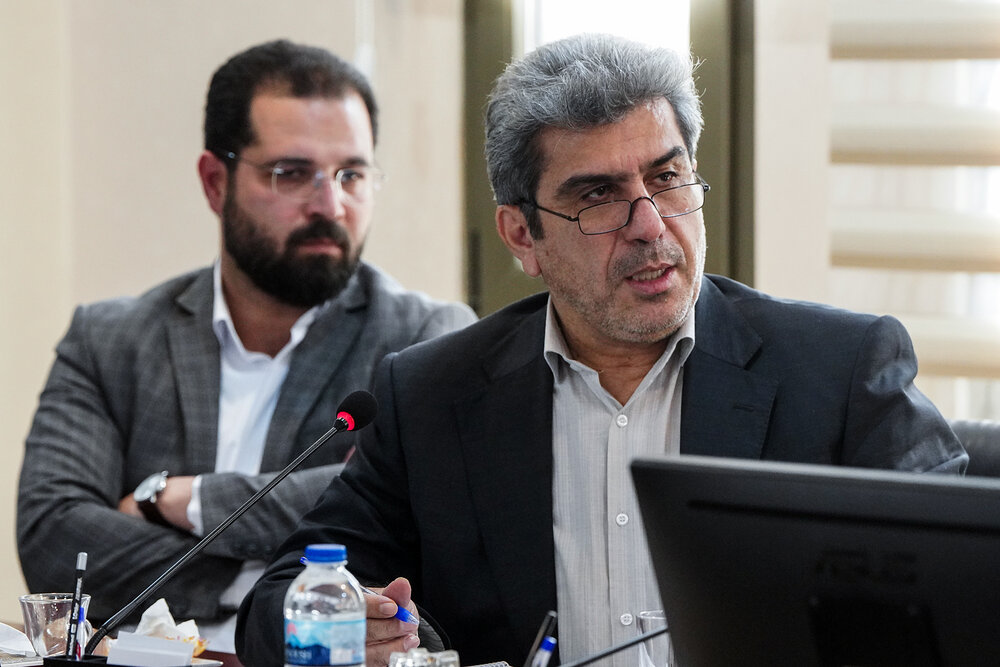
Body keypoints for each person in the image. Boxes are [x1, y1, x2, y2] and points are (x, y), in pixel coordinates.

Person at [236, 33, 967, 667]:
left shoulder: (838, 373)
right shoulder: (431, 395)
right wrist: (343, 624)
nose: (649, 224)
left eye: (667, 177)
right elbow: (279, 599)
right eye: (597, 196)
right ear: (522, 236)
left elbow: (968, 590)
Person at [16, 39, 476, 653]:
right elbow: (54, 541)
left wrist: (186, 500)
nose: (331, 205)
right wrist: (270, 587)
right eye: (292, 174)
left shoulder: (425, 341)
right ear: (216, 182)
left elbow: (405, 518)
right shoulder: (110, 340)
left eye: (352, 174)